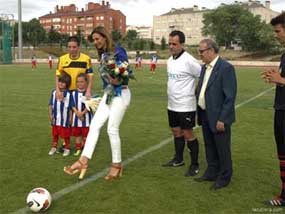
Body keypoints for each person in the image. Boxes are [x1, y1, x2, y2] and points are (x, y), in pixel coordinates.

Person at [64, 26, 131, 180]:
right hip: (109, 94)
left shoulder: (118, 51)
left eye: (97, 39)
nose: (95, 42)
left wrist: (119, 78)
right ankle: (83, 161)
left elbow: (126, 72)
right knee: (94, 125)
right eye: (93, 40)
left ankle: (116, 165)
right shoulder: (103, 55)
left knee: (112, 129)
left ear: (105, 37)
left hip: (122, 93)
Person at [194, 39, 237, 190]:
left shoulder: (226, 68)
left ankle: (224, 177)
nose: (199, 54)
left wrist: (223, 119)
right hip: (205, 114)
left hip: (218, 117)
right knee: (209, 145)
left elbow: (230, 97)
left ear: (211, 50)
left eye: (201, 51)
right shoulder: (204, 67)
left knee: (222, 148)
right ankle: (212, 172)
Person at [162, 30, 201, 177]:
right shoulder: (170, 61)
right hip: (172, 104)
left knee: (188, 133)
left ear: (182, 44)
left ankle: (195, 165)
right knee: (176, 131)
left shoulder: (189, 60)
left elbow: (202, 76)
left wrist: (196, 93)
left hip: (186, 105)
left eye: (174, 44)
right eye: (169, 43)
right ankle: (178, 159)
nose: (171, 46)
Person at [261, 12, 285, 206]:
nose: (276, 35)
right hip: (280, 110)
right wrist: (276, 77)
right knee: (282, 154)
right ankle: (284, 194)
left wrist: (281, 80)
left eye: (278, 31)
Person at [56, 36, 93, 102]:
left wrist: (89, 90)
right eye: (69, 47)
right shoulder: (62, 59)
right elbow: (58, 76)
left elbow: (90, 75)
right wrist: (58, 90)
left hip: (81, 92)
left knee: (80, 111)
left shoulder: (86, 59)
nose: (71, 49)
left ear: (78, 47)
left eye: (74, 47)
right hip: (66, 91)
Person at [48, 73, 74, 157]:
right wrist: (50, 115)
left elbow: (70, 108)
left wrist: (70, 118)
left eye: (63, 82)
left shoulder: (69, 94)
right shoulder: (54, 92)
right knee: (55, 134)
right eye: (60, 82)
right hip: (55, 118)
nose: (61, 84)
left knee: (66, 135)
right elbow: (50, 104)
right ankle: (54, 147)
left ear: (67, 84)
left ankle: (67, 148)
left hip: (64, 119)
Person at [71, 73, 93, 156]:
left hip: (86, 119)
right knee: (78, 135)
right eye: (78, 82)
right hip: (76, 119)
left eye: (82, 82)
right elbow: (72, 105)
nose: (79, 83)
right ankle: (78, 149)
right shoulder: (73, 93)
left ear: (86, 82)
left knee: (86, 136)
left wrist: (82, 113)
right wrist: (77, 113)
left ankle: (86, 151)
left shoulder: (88, 93)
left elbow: (90, 105)